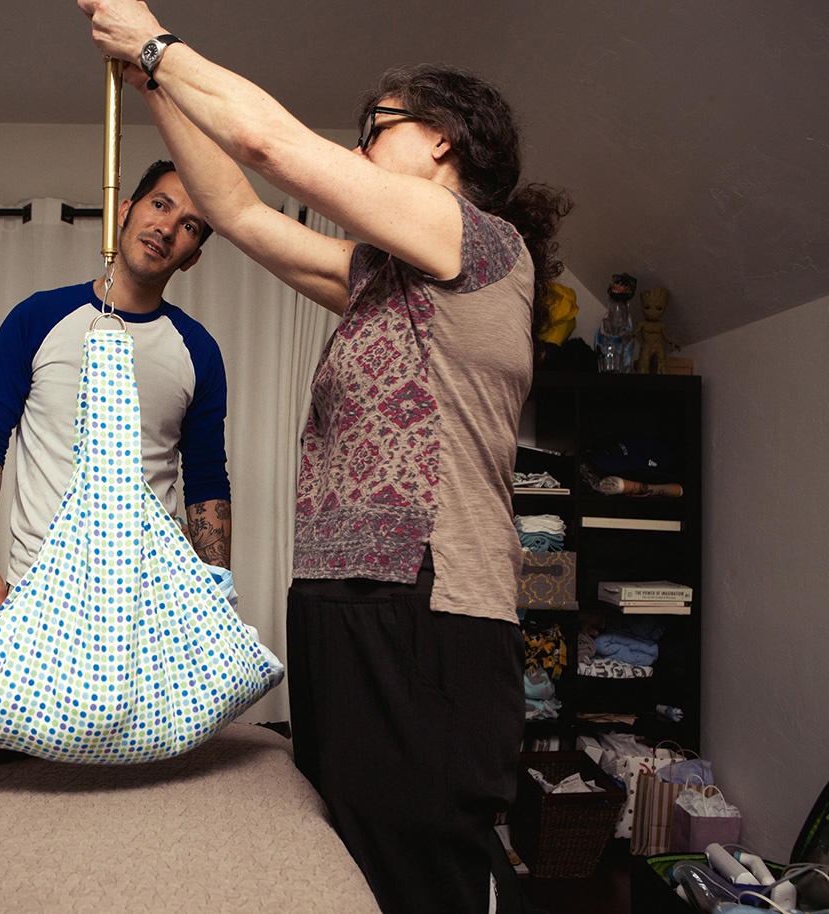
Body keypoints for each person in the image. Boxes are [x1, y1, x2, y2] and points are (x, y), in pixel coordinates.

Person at [79, 5, 572, 913]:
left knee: (424, 865)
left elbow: (269, 145)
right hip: (339, 592)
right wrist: (156, 86)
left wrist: (156, 40)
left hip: (433, 604)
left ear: (442, 141)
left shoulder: (477, 241)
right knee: (348, 851)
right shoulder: (379, 276)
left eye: (376, 127)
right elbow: (233, 207)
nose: (360, 147)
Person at [0, 160, 232, 634]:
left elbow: (206, 483)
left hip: (154, 605)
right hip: (38, 596)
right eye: (160, 204)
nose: (167, 228)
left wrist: (217, 594)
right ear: (125, 210)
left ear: (192, 255)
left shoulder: (198, 350)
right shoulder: (36, 318)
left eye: (189, 225)